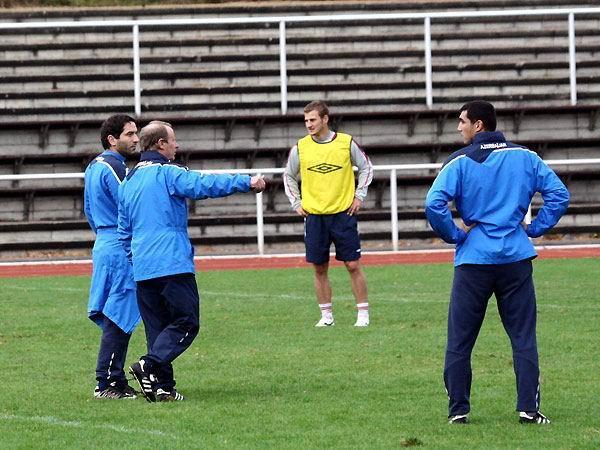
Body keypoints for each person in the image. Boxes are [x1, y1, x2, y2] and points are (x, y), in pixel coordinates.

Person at [425, 100, 570, 425]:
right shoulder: (526, 157)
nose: (458, 127)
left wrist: (455, 235)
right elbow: (559, 195)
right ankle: (528, 409)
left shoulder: (459, 161)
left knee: (460, 340)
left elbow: (433, 204)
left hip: (473, 261)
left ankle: (458, 410)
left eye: (462, 121)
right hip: (515, 259)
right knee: (523, 337)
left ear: (478, 125)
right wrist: (536, 228)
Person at [118, 120, 266, 402]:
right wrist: (246, 182)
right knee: (187, 322)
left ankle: (163, 387)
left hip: (143, 268)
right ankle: (148, 365)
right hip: (172, 262)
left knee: (158, 329)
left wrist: (135, 257)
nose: (177, 145)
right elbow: (204, 184)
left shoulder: (129, 181)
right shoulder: (168, 173)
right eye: (173, 140)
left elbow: (123, 231)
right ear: (161, 144)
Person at [284, 100, 373, 327]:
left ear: (325, 119)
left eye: (312, 119)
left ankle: (363, 314)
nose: (309, 124)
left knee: (352, 264)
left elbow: (366, 167)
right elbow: (289, 176)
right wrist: (296, 202)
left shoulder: (346, 142)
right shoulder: (300, 147)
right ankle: (326, 316)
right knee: (319, 267)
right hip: (314, 217)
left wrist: (359, 196)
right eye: (306, 120)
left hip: (343, 214)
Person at [83, 114, 141, 399]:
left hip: (104, 243)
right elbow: (130, 204)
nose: (136, 139)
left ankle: (113, 379)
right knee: (120, 313)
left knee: (114, 314)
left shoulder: (93, 166)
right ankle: (107, 382)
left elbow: (88, 210)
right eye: (129, 134)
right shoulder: (116, 166)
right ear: (112, 139)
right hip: (119, 245)